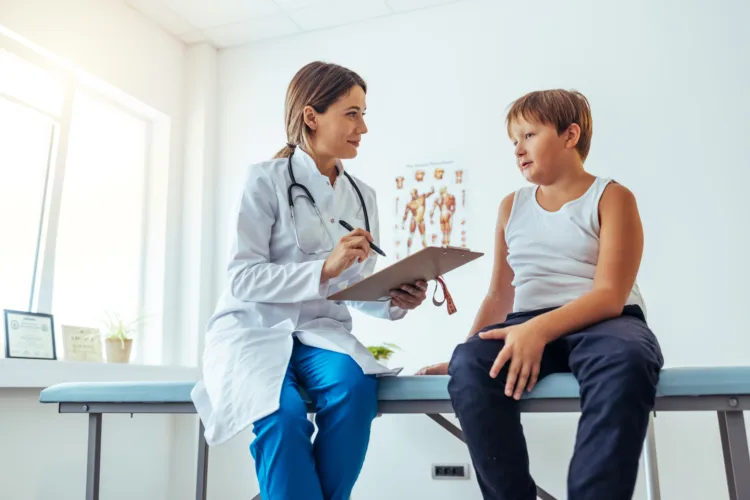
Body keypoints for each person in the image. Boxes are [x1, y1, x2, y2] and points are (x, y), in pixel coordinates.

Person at [190, 61, 428, 500]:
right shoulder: (264, 181)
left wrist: (396, 299)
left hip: (321, 334)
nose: (363, 127)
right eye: (352, 113)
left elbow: (356, 288)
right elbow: (243, 278)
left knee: (356, 393)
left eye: (364, 114)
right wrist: (324, 268)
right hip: (254, 329)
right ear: (312, 116)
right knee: (280, 414)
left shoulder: (362, 196)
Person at [416, 89, 664, 499]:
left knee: (627, 359)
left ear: (570, 135)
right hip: (525, 325)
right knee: (471, 367)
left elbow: (609, 296)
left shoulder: (612, 196)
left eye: (529, 135)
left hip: (607, 323)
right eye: (514, 140)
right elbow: (499, 297)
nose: (518, 149)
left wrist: (538, 331)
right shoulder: (510, 206)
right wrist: (462, 353)